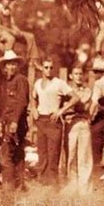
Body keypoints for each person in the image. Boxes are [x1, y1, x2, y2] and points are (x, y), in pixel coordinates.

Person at [31, 58, 79, 187]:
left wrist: (61, 111)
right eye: (46, 67)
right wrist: (34, 108)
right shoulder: (37, 83)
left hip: (53, 122)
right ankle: (42, 184)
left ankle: (52, 187)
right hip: (41, 120)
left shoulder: (59, 83)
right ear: (42, 68)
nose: (48, 70)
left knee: (53, 154)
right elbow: (33, 97)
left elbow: (75, 97)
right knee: (42, 153)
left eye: (51, 67)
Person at [0, 50, 29, 191]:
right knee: (16, 154)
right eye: (9, 65)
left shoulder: (20, 79)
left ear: (17, 66)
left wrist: (14, 121)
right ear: (4, 67)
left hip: (16, 124)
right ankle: (19, 187)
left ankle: (9, 189)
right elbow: (7, 106)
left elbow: (22, 102)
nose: (11, 67)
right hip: (9, 123)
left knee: (6, 154)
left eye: (14, 64)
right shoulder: (7, 82)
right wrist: (1, 122)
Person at [64, 65, 93, 194]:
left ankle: (84, 190)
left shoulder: (87, 90)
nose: (79, 76)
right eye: (76, 74)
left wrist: (69, 104)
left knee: (84, 157)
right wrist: (69, 105)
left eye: (80, 74)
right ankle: (72, 186)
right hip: (70, 123)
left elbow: (82, 105)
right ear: (71, 76)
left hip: (83, 123)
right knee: (70, 155)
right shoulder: (66, 89)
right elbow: (63, 104)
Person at [0, 0, 40, 66]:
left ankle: (33, 60)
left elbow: (12, 24)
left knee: (30, 36)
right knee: (11, 39)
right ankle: (7, 60)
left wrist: (17, 31)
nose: (8, 1)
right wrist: (11, 31)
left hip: (9, 30)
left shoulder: (9, 10)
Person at [89, 57, 104, 184]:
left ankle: (96, 177)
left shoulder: (99, 84)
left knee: (95, 146)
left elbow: (95, 103)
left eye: (96, 72)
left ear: (101, 72)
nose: (94, 74)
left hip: (102, 117)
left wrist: (90, 117)